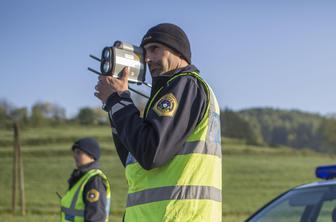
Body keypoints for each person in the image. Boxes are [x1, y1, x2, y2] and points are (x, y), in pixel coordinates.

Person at [95, 23, 222, 221]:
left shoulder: (185, 85)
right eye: (144, 52)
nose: (147, 58)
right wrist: (114, 105)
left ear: (179, 52)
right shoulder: (169, 93)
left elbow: (151, 152)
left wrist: (118, 100)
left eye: (155, 49)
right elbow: (133, 156)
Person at [60, 137, 111, 222]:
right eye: (75, 153)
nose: (75, 156)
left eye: (79, 153)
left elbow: (96, 217)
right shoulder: (81, 178)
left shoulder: (94, 180)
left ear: (91, 155)